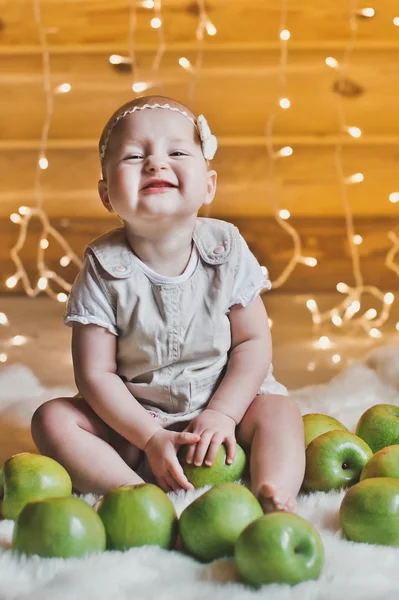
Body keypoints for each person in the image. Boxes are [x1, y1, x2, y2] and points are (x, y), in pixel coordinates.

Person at [31, 95, 305, 512]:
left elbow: (252, 343)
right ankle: (139, 497)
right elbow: (96, 375)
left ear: (208, 184)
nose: (156, 164)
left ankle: (275, 495)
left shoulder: (226, 248)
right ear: (106, 195)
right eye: (134, 156)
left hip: (225, 400)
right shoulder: (103, 269)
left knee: (281, 410)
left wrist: (224, 414)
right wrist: (148, 437)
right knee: (51, 419)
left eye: (176, 152)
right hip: (136, 415)